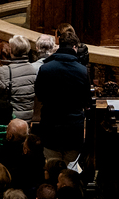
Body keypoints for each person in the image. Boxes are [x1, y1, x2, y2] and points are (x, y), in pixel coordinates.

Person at [34, 28, 90, 163]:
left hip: (50, 125)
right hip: (73, 128)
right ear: (75, 47)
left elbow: (39, 95)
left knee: (52, 166)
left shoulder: (45, 68)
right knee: (70, 168)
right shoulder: (82, 70)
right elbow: (86, 99)